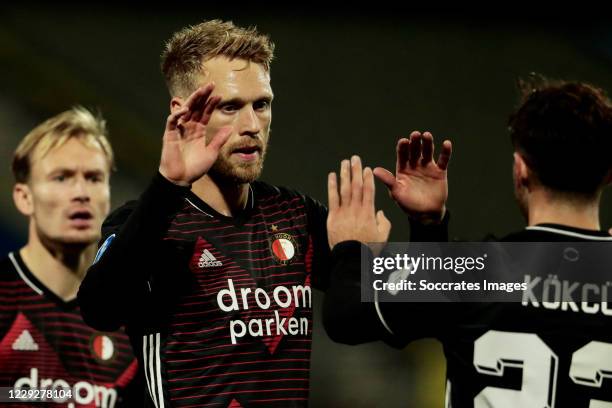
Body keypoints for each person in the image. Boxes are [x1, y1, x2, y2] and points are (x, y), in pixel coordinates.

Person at [78, 20, 390, 407]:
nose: (252, 126)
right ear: (183, 112)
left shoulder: (295, 214)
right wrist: (167, 188)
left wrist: (429, 223)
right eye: (230, 107)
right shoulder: (146, 223)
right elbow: (99, 309)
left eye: (262, 104)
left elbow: (378, 320)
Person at [323, 78, 612, 407]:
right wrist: (427, 227)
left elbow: (345, 318)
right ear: (609, 173)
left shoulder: (474, 268)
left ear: (520, 169)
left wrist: (352, 251)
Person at [1, 107, 140, 407]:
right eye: (61, 178)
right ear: (24, 197)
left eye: (93, 178)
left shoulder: (134, 317)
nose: (81, 193)